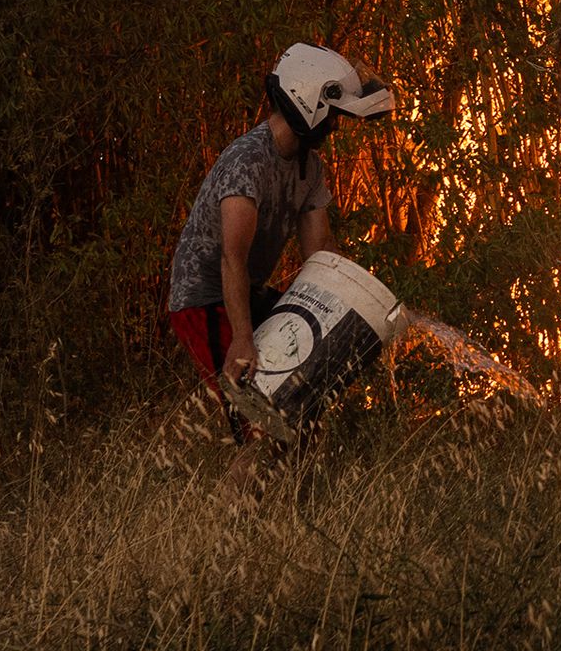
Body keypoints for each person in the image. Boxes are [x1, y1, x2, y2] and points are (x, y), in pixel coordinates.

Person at [166, 43, 392, 415]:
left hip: (245, 291)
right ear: (308, 102)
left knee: (301, 411)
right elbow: (231, 256)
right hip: (203, 298)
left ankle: (294, 471)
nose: (335, 125)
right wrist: (242, 339)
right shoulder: (247, 160)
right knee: (254, 417)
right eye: (333, 115)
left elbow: (320, 253)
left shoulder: (310, 167)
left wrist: (355, 304)